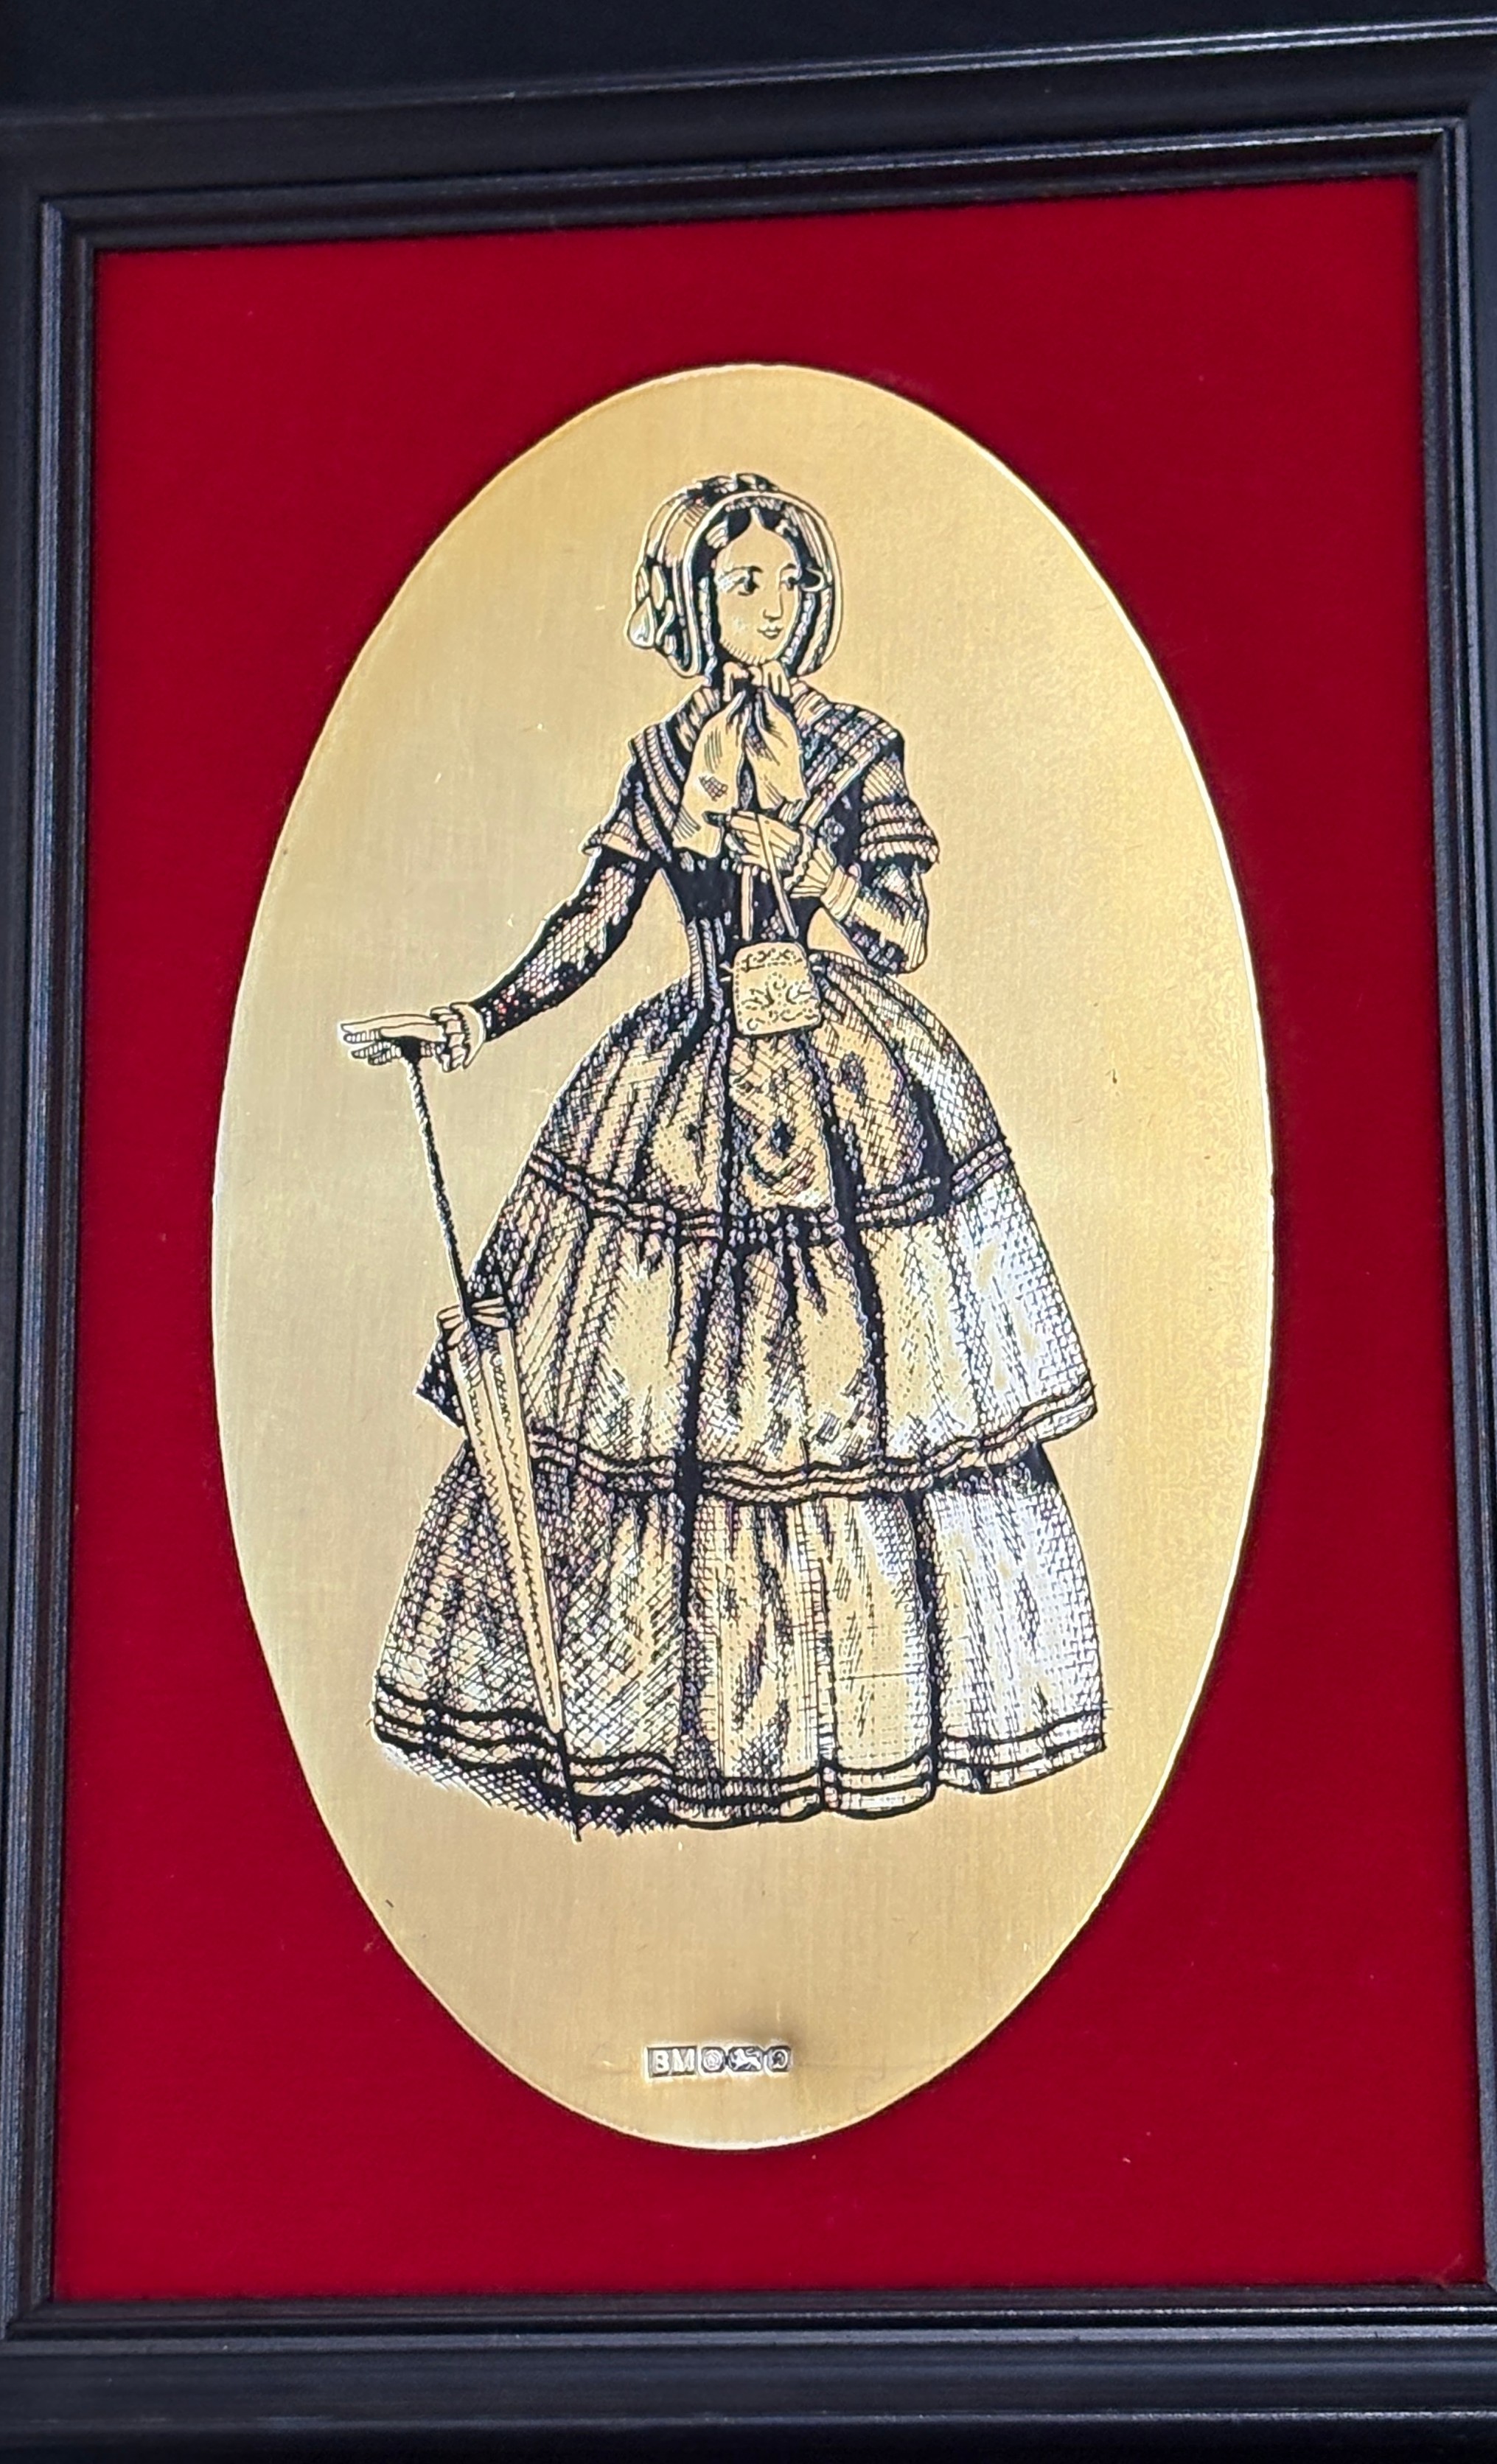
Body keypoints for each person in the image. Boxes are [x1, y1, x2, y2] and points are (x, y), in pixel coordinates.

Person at [341, 473, 1104, 1832]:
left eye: (789, 582)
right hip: (685, 1086)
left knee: (854, 1411)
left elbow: (902, 937)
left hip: (847, 1085)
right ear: (694, 601)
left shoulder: (860, 747)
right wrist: (476, 1018)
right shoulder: (660, 758)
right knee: (651, 1414)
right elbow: (597, 919)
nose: (773, 605)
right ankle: (667, 1737)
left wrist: (812, 873)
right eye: (744, 582)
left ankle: (849, 1728)